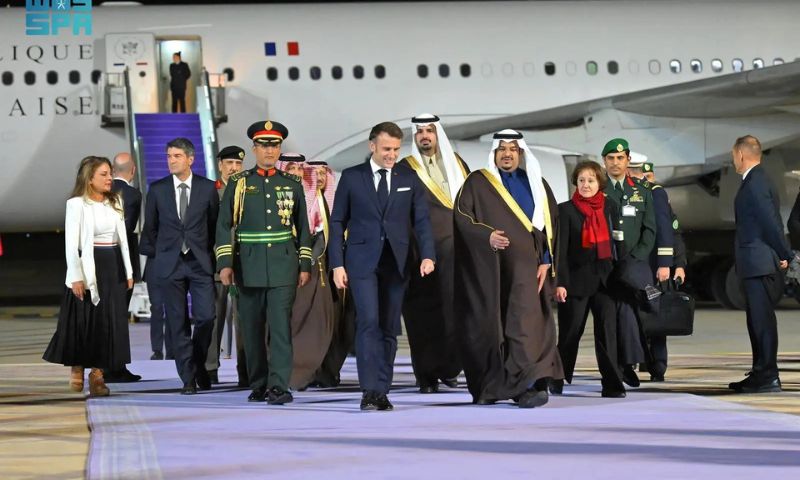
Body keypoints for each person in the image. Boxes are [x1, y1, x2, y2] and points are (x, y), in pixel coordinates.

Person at [329, 121, 436, 411]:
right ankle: (370, 390)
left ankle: (382, 390)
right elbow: (337, 222)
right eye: (387, 148)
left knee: (389, 326)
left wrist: (428, 255)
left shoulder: (409, 177)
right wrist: (337, 264)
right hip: (361, 263)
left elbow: (422, 221)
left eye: (396, 149)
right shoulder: (352, 177)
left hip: (397, 263)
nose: (392, 155)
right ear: (372, 146)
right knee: (368, 322)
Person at [453, 129, 562, 408]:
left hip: (528, 272)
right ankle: (493, 387)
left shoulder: (536, 183)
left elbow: (550, 224)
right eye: (502, 149)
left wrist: (546, 259)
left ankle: (527, 385)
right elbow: (462, 217)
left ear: (521, 153)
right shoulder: (478, 183)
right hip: (491, 272)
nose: (507, 154)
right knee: (491, 328)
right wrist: (486, 236)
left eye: (513, 149)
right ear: (494, 153)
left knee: (525, 326)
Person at [216, 121, 313, 405]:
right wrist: (225, 263)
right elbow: (223, 225)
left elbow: (303, 228)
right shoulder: (239, 183)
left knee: (281, 329)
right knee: (252, 330)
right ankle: (258, 383)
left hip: (283, 266)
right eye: (264, 146)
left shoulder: (291, 184)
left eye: (274, 146)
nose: (269, 151)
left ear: (280, 149)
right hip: (248, 266)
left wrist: (304, 264)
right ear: (254, 148)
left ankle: (279, 386)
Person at [43, 156, 134, 397]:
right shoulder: (76, 204)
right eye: (104, 174)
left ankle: (97, 374)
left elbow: (123, 240)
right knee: (85, 321)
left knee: (108, 322)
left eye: (110, 173)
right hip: (88, 266)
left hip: (113, 265)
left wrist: (128, 271)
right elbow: (71, 244)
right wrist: (75, 276)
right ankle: (77, 365)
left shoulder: (115, 201)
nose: (109, 178)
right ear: (90, 179)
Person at [139, 138, 219, 395]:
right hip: (170, 264)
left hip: (199, 262)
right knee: (177, 321)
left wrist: (207, 253)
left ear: (190, 159)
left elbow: (214, 225)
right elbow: (150, 228)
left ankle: (196, 364)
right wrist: (164, 254)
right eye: (169, 156)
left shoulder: (207, 188)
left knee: (206, 317)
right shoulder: (158, 189)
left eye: (177, 156)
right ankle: (188, 378)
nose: (171, 160)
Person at [398, 113, 468, 393]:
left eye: (430, 130)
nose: (425, 136)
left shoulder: (457, 163)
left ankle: (449, 368)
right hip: (421, 255)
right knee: (423, 316)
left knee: (455, 312)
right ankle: (426, 374)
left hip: (457, 253)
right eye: (420, 132)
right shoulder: (406, 168)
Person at [552, 161, 626, 398]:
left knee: (607, 334)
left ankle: (612, 384)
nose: (585, 185)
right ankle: (556, 379)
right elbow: (560, 251)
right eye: (581, 180)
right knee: (570, 333)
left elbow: (618, 243)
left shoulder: (610, 206)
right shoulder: (565, 210)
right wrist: (560, 283)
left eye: (591, 180)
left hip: (606, 282)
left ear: (599, 183)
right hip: (575, 282)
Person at [728, 135, 794, 393]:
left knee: (761, 321)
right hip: (756, 262)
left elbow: (771, 222)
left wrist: (785, 253)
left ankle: (767, 375)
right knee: (757, 321)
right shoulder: (756, 180)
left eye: (733, 155)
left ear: (741, 154)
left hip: (760, 263)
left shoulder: (755, 183)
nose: (733, 160)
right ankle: (760, 372)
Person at [275, 155, 337, 390]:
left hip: (313, 271)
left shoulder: (316, 199)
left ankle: (308, 372)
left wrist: (306, 259)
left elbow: (321, 234)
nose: (296, 173)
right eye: (291, 168)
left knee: (315, 323)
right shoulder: (275, 197)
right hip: (283, 269)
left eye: (300, 169)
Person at [602, 138, 656, 388]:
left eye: (620, 158)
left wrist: (635, 259)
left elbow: (650, 230)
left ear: (628, 160)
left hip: (630, 266)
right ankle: (617, 365)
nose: (615, 163)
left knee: (629, 315)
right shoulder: (598, 189)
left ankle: (627, 364)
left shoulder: (641, 191)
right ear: (604, 161)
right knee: (607, 319)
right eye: (611, 158)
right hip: (605, 265)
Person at [628, 161, 686, 381]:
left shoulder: (657, 195)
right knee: (632, 314)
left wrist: (676, 264)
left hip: (654, 268)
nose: (646, 181)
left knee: (655, 314)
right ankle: (635, 360)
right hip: (634, 267)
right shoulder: (627, 194)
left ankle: (658, 365)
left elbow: (672, 234)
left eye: (648, 176)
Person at [205, 145, 246, 385]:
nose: (234, 168)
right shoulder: (211, 191)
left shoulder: (249, 190)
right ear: (220, 165)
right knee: (214, 318)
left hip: (245, 265)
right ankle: (210, 367)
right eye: (229, 163)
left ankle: (247, 370)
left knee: (245, 320)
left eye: (238, 164)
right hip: (217, 264)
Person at [105, 152, 143, 383]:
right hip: (122, 264)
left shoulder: (101, 192)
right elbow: (127, 230)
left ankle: (104, 366)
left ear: (112, 169)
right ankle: (116, 367)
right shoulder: (132, 194)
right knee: (119, 317)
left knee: (105, 317)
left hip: (101, 261)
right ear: (133, 170)